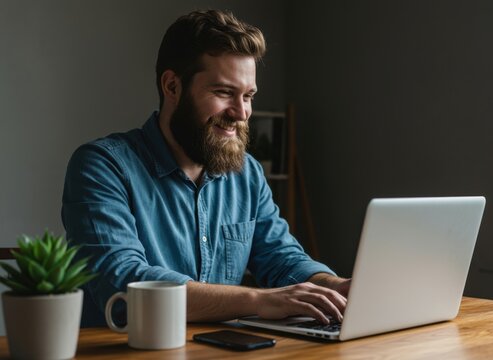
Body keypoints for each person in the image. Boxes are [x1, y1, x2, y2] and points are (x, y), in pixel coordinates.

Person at [62, 9, 351, 327]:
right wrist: (260, 300)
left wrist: (336, 287)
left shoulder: (247, 173)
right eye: (224, 92)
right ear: (172, 86)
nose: (241, 113)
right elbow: (126, 284)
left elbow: (281, 258)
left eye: (248, 96)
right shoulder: (102, 166)